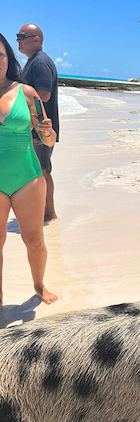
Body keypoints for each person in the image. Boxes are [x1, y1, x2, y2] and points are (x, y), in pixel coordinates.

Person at [0, 33, 57, 305]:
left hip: (27, 178)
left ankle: (39, 285)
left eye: (0, 56)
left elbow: (48, 138)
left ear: (7, 59)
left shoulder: (26, 92)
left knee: (34, 240)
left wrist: (48, 133)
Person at [17, 23, 59, 222]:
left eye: (21, 36)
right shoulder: (33, 61)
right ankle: (41, 210)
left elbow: (43, 95)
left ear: (36, 39)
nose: (18, 40)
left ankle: (49, 213)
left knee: (42, 170)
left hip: (41, 129)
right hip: (36, 129)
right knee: (37, 170)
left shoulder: (40, 63)